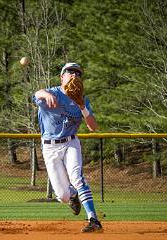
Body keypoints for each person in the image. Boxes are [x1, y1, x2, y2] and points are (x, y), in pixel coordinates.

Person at [33, 63, 103, 233]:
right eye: (70, 71)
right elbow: (36, 94)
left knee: (77, 177)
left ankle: (93, 219)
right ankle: (73, 195)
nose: (74, 75)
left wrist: (82, 107)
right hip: (50, 148)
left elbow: (93, 127)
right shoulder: (53, 93)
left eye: (77, 73)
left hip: (71, 143)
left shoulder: (82, 99)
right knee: (63, 196)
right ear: (61, 77)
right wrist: (45, 93)